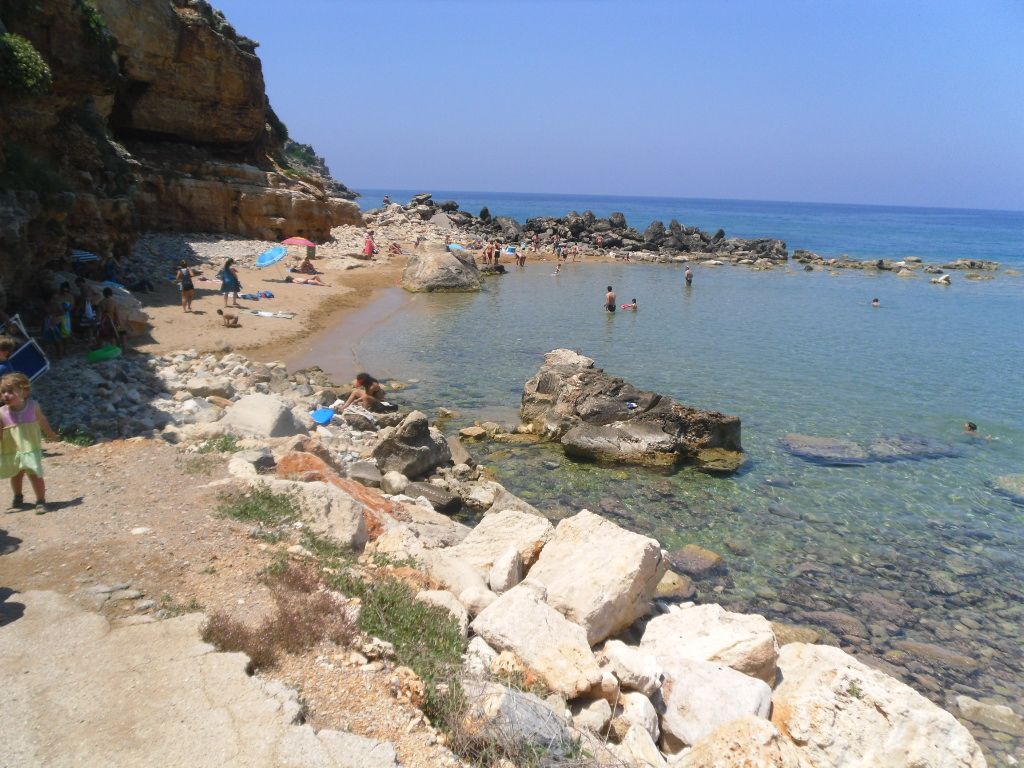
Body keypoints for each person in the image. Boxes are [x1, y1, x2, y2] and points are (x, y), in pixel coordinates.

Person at [1, 372, 58, 513]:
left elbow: (42, 420)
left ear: (24, 392)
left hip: (30, 448)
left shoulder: (33, 406)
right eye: (3, 392)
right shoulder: (2, 412)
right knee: (16, 474)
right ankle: (18, 495)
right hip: (12, 450)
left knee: (34, 474)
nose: (6, 395)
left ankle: (40, 500)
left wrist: (50, 433)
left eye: (10, 391)